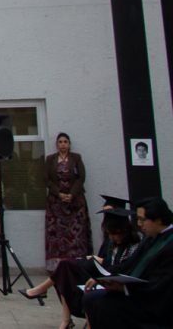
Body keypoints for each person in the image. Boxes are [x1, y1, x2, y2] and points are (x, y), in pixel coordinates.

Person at [19, 206, 141, 328]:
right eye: (110, 234)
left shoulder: (134, 246)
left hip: (116, 282)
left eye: (115, 234)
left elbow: (123, 266)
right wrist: (97, 260)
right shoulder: (112, 243)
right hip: (104, 275)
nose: (112, 238)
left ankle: (43, 293)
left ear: (124, 231)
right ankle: (65, 319)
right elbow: (109, 261)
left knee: (67, 272)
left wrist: (101, 267)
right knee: (65, 267)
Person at [83, 197, 173, 328]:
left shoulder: (169, 244)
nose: (139, 224)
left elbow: (161, 285)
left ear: (158, 219)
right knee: (91, 299)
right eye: (138, 219)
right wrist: (104, 276)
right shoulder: (150, 238)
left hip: (157, 303)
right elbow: (129, 264)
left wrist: (124, 288)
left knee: (105, 305)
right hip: (140, 293)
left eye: (142, 219)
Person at [45, 132, 91, 272]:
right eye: (60, 142)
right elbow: (46, 179)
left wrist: (71, 194)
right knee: (57, 234)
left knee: (77, 235)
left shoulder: (76, 158)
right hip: (56, 202)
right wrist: (59, 194)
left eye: (65, 142)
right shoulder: (50, 159)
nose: (63, 144)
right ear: (56, 145)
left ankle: (78, 263)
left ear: (69, 144)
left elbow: (81, 177)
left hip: (75, 202)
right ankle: (57, 266)